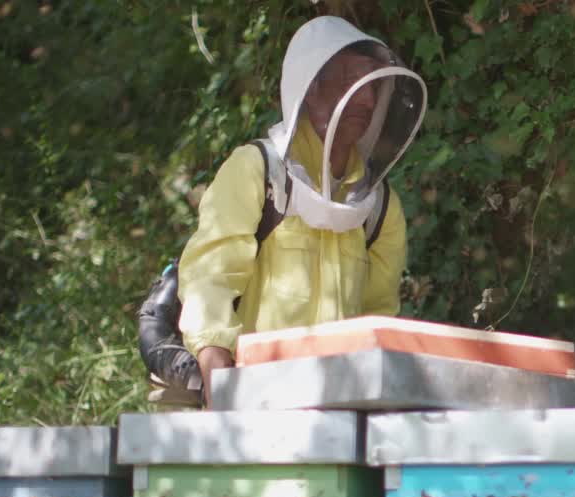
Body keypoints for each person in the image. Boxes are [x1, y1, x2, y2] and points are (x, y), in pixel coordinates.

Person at [159, 16, 427, 406]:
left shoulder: (380, 207)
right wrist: (222, 393)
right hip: (255, 400)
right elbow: (210, 281)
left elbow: (377, 319)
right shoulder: (256, 172)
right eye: (351, 82)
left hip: (341, 409)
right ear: (310, 88)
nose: (368, 101)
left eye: (373, 86)